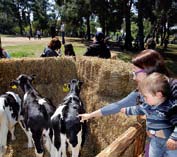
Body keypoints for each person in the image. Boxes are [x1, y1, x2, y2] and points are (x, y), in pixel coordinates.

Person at [121, 72, 177, 157]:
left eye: (146, 96)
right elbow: (137, 109)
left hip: (170, 142)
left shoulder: (170, 108)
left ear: (158, 95)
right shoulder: (147, 106)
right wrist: (126, 110)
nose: (144, 99)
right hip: (155, 140)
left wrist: (174, 138)